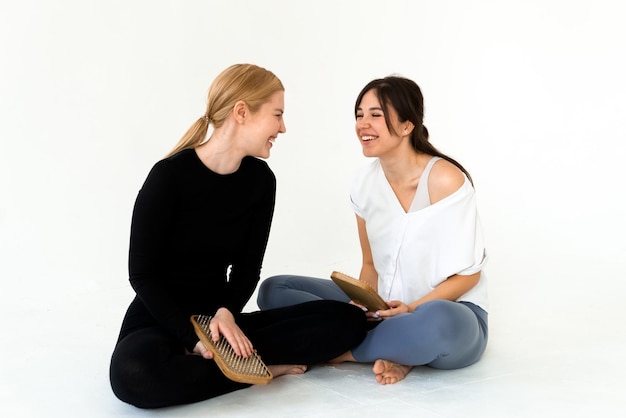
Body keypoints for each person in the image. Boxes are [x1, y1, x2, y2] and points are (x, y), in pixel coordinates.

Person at [109, 64, 367, 408]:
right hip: (159, 318)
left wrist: (227, 314)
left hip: (221, 319)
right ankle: (256, 370)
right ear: (242, 112)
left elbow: (247, 271)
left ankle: (228, 363)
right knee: (135, 376)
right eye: (277, 115)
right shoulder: (168, 176)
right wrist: (192, 338)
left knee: (348, 320)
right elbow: (142, 275)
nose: (283, 127)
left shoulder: (261, 182)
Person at [257, 75, 488, 385]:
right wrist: (361, 306)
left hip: (449, 312)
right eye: (359, 115)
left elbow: (468, 274)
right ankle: (398, 348)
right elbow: (370, 265)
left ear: (408, 125)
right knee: (276, 289)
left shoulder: (445, 180)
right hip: (383, 310)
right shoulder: (364, 183)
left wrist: (411, 308)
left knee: (438, 323)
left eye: (376, 115)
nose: (363, 124)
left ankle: (340, 351)